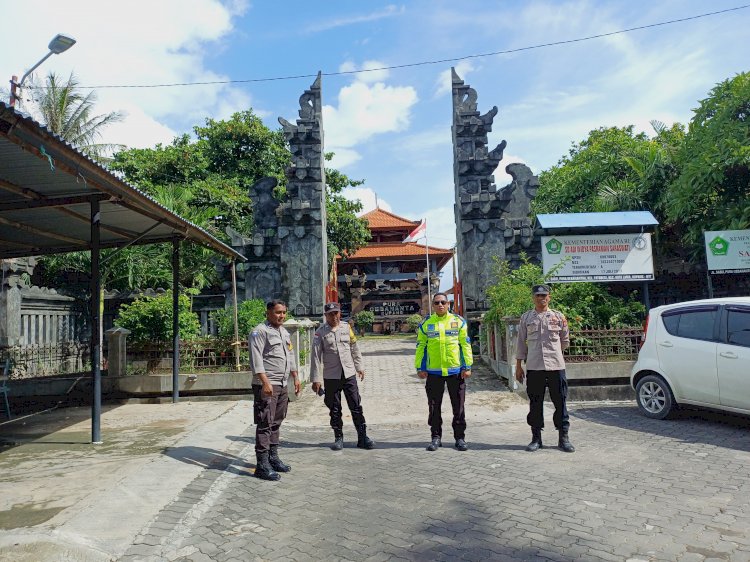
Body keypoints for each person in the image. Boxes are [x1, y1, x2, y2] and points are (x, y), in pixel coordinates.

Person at [515, 284, 575, 453]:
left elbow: (565, 340)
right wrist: (519, 367)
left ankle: (563, 438)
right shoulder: (526, 318)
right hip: (534, 367)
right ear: (533, 298)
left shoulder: (558, 316)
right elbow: (521, 343)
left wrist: (555, 353)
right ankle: (536, 438)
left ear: (549, 297)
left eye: (544, 295)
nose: (541, 298)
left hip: (556, 366)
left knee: (560, 402)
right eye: (538, 296)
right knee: (535, 403)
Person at [310, 302, 374, 451]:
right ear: (325, 315)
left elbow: (354, 348)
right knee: (335, 408)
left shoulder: (347, 328)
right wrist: (316, 379)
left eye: (336, 313)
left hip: (349, 374)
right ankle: (338, 438)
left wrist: (360, 367)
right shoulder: (320, 333)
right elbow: (315, 357)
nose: (334, 316)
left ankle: (362, 437)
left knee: (356, 406)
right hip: (331, 376)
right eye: (331, 314)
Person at [249, 300, 301, 481]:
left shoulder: (283, 331)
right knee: (265, 422)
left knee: (277, 421)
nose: (282, 316)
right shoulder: (259, 332)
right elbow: (256, 360)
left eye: (284, 312)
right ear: (268, 313)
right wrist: (265, 382)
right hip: (267, 384)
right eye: (278, 312)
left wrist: (295, 376)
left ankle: (273, 457)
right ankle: (262, 465)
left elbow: (290, 355)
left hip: (282, 383)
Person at [415, 292, 473, 452]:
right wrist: (420, 367)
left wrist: (467, 367)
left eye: (443, 302)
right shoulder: (426, 324)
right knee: (434, 407)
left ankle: (460, 438)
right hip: (434, 373)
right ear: (432, 306)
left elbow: (465, 345)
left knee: (458, 407)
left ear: (449, 304)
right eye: (436, 303)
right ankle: (435, 437)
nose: (440, 305)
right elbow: (421, 346)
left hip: (456, 371)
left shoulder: (458, 322)